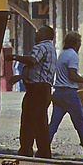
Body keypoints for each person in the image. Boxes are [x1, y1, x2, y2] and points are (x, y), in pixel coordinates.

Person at [48, 32, 83, 161]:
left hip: (58, 93)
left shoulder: (62, 54)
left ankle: (43, 149)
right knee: (82, 124)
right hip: (69, 93)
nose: (80, 44)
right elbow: (72, 75)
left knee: (53, 125)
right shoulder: (73, 55)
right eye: (79, 41)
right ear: (75, 43)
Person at [8, 25, 57, 158]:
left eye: (38, 33)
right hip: (45, 90)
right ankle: (44, 152)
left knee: (28, 120)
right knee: (41, 122)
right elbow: (40, 71)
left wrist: (14, 57)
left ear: (45, 35)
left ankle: (26, 150)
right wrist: (22, 76)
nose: (35, 35)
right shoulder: (51, 48)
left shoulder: (41, 47)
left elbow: (33, 60)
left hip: (36, 90)